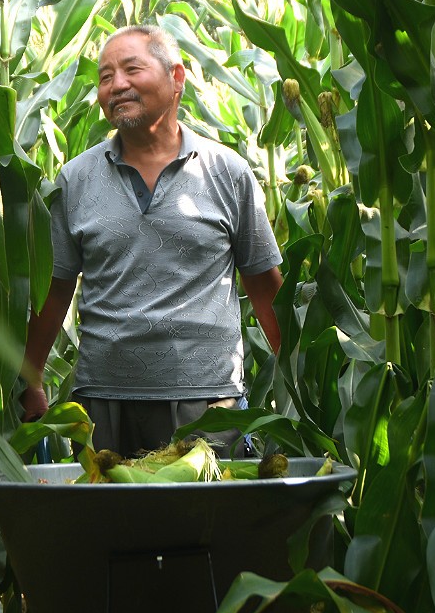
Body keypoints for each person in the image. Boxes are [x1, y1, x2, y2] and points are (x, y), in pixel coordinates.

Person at [19, 24, 283, 457]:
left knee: (206, 524)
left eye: (131, 69)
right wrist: (31, 380)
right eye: (105, 77)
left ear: (176, 78)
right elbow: (55, 292)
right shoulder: (76, 180)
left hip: (207, 405)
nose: (116, 85)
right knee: (113, 525)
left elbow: (265, 290)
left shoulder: (227, 173)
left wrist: (295, 388)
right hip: (104, 403)